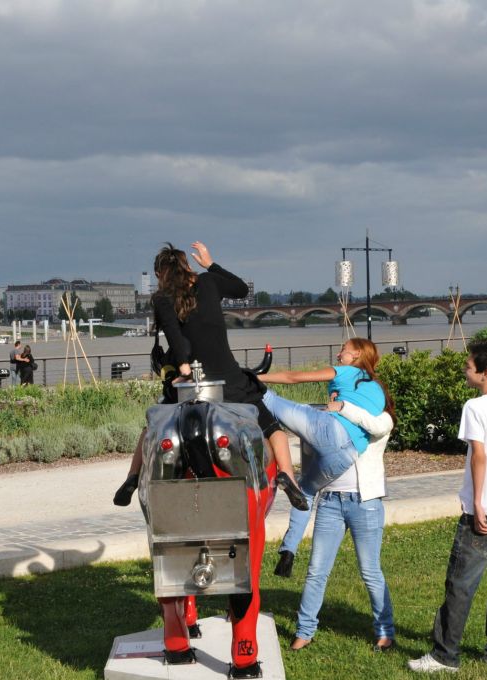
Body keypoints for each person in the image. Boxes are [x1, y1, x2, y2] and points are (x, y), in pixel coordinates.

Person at [112, 241, 307, 511]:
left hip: (191, 383)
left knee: (152, 429)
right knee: (272, 427)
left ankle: (132, 478)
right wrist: (211, 263)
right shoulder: (209, 282)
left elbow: (176, 338)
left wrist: (183, 368)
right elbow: (240, 288)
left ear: (159, 275)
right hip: (229, 379)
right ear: (187, 266)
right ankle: (287, 476)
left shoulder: (162, 299)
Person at [407, 339, 487, 674]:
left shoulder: (475, 408)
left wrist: (477, 504)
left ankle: (444, 655)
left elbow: (479, 456)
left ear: (485, 372)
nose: (464, 369)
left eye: (468, 365)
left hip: (484, 513)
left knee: (461, 583)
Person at [260, 338, 390, 577]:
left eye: (344, 350)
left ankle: (241, 385)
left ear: (357, 354)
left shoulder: (347, 372)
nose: (339, 354)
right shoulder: (378, 388)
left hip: (332, 433)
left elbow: (294, 378)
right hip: (346, 456)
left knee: (268, 398)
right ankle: (288, 551)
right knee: (305, 492)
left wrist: (258, 378)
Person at [288, 398, 396, 653]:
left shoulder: (381, 418)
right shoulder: (333, 419)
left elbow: (376, 427)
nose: (336, 396)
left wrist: (345, 407)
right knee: (316, 570)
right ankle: (305, 631)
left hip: (365, 503)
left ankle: (385, 632)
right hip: (329, 502)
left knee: (370, 571)